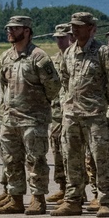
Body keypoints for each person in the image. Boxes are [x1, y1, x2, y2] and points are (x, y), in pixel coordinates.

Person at [55, 12, 109, 217]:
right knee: (71, 158)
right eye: (73, 26)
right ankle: (73, 199)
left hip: (95, 114)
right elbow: (65, 79)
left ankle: (104, 200)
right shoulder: (68, 53)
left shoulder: (102, 52)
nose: (74, 30)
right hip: (72, 115)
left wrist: (104, 101)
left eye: (79, 26)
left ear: (91, 28)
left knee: (100, 158)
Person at [0, 15, 62, 214]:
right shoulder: (5, 57)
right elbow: (4, 85)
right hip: (10, 119)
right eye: (9, 28)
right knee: (11, 159)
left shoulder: (39, 57)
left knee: (35, 160)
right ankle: (15, 198)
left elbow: (53, 86)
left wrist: (38, 106)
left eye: (15, 29)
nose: (10, 32)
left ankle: (37, 198)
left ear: (26, 31)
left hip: (33, 119)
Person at [47, 23, 72, 204]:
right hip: (57, 112)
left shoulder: (75, 58)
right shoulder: (54, 60)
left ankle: (77, 189)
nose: (60, 41)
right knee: (57, 149)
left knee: (73, 152)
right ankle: (63, 186)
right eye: (57, 38)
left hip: (74, 112)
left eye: (63, 37)